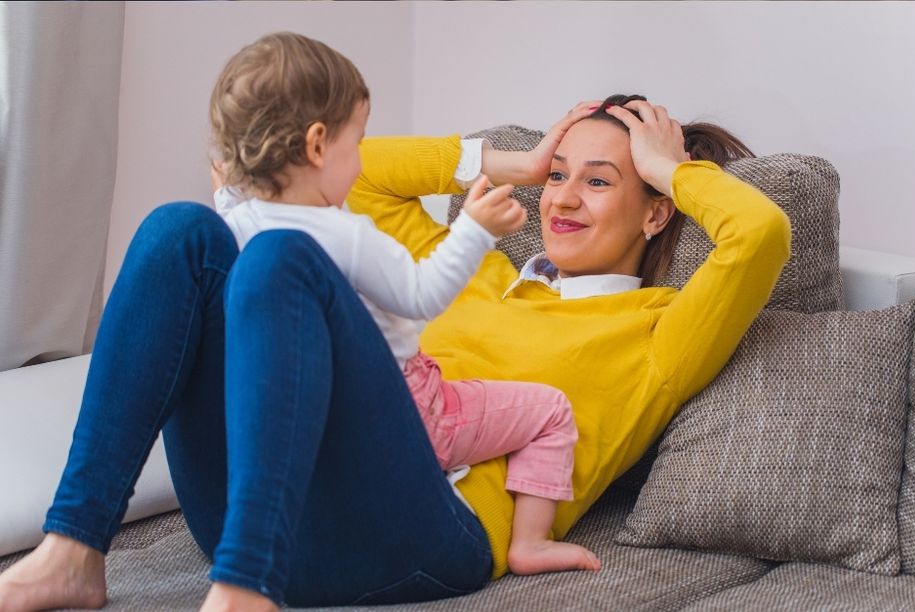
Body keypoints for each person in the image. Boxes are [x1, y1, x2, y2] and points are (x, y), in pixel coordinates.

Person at [0, 34, 791, 612]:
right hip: (262, 506)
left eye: (599, 181)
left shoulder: (656, 330)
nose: (559, 197)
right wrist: (508, 160)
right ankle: (75, 546)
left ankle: (245, 585)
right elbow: (349, 174)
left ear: (655, 212)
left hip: (422, 537)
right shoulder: (474, 264)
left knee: (283, 258)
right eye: (555, 175)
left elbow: (759, 236)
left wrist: (668, 167)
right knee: (180, 232)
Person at [209, 32, 599, 575]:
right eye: (357, 142)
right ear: (317, 146)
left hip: (319, 418)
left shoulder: (235, 221)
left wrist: (230, 177)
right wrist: (474, 229)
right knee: (551, 411)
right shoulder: (345, 234)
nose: (362, 161)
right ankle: (530, 543)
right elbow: (421, 296)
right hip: (414, 413)